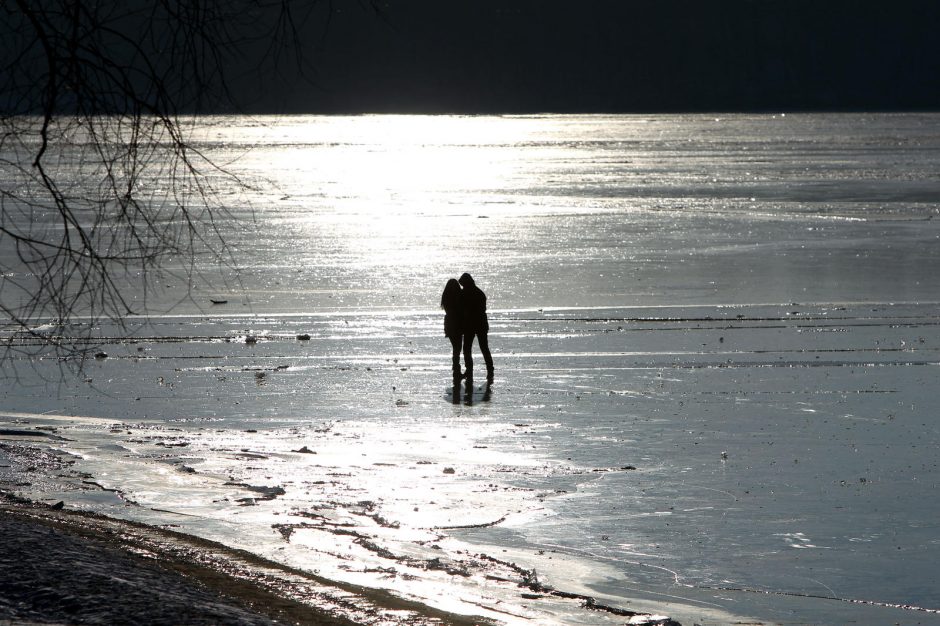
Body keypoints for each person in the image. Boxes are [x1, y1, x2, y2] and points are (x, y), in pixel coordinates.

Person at [458, 272, 494, 383]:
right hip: (481, 324)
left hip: (471, 325)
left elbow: (462, 310)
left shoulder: (464, 294)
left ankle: (470, 371)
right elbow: (482, 309)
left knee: (468, 349)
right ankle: (489, 370)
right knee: (483, 348)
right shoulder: (479, 293)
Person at [440, 278, 464, 385]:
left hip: (449, 323)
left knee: (456, 347)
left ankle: (456, 370)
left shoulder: (446, 297)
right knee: (457, 348)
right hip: (456, 323)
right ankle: (456, 370)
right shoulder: (458, 297)